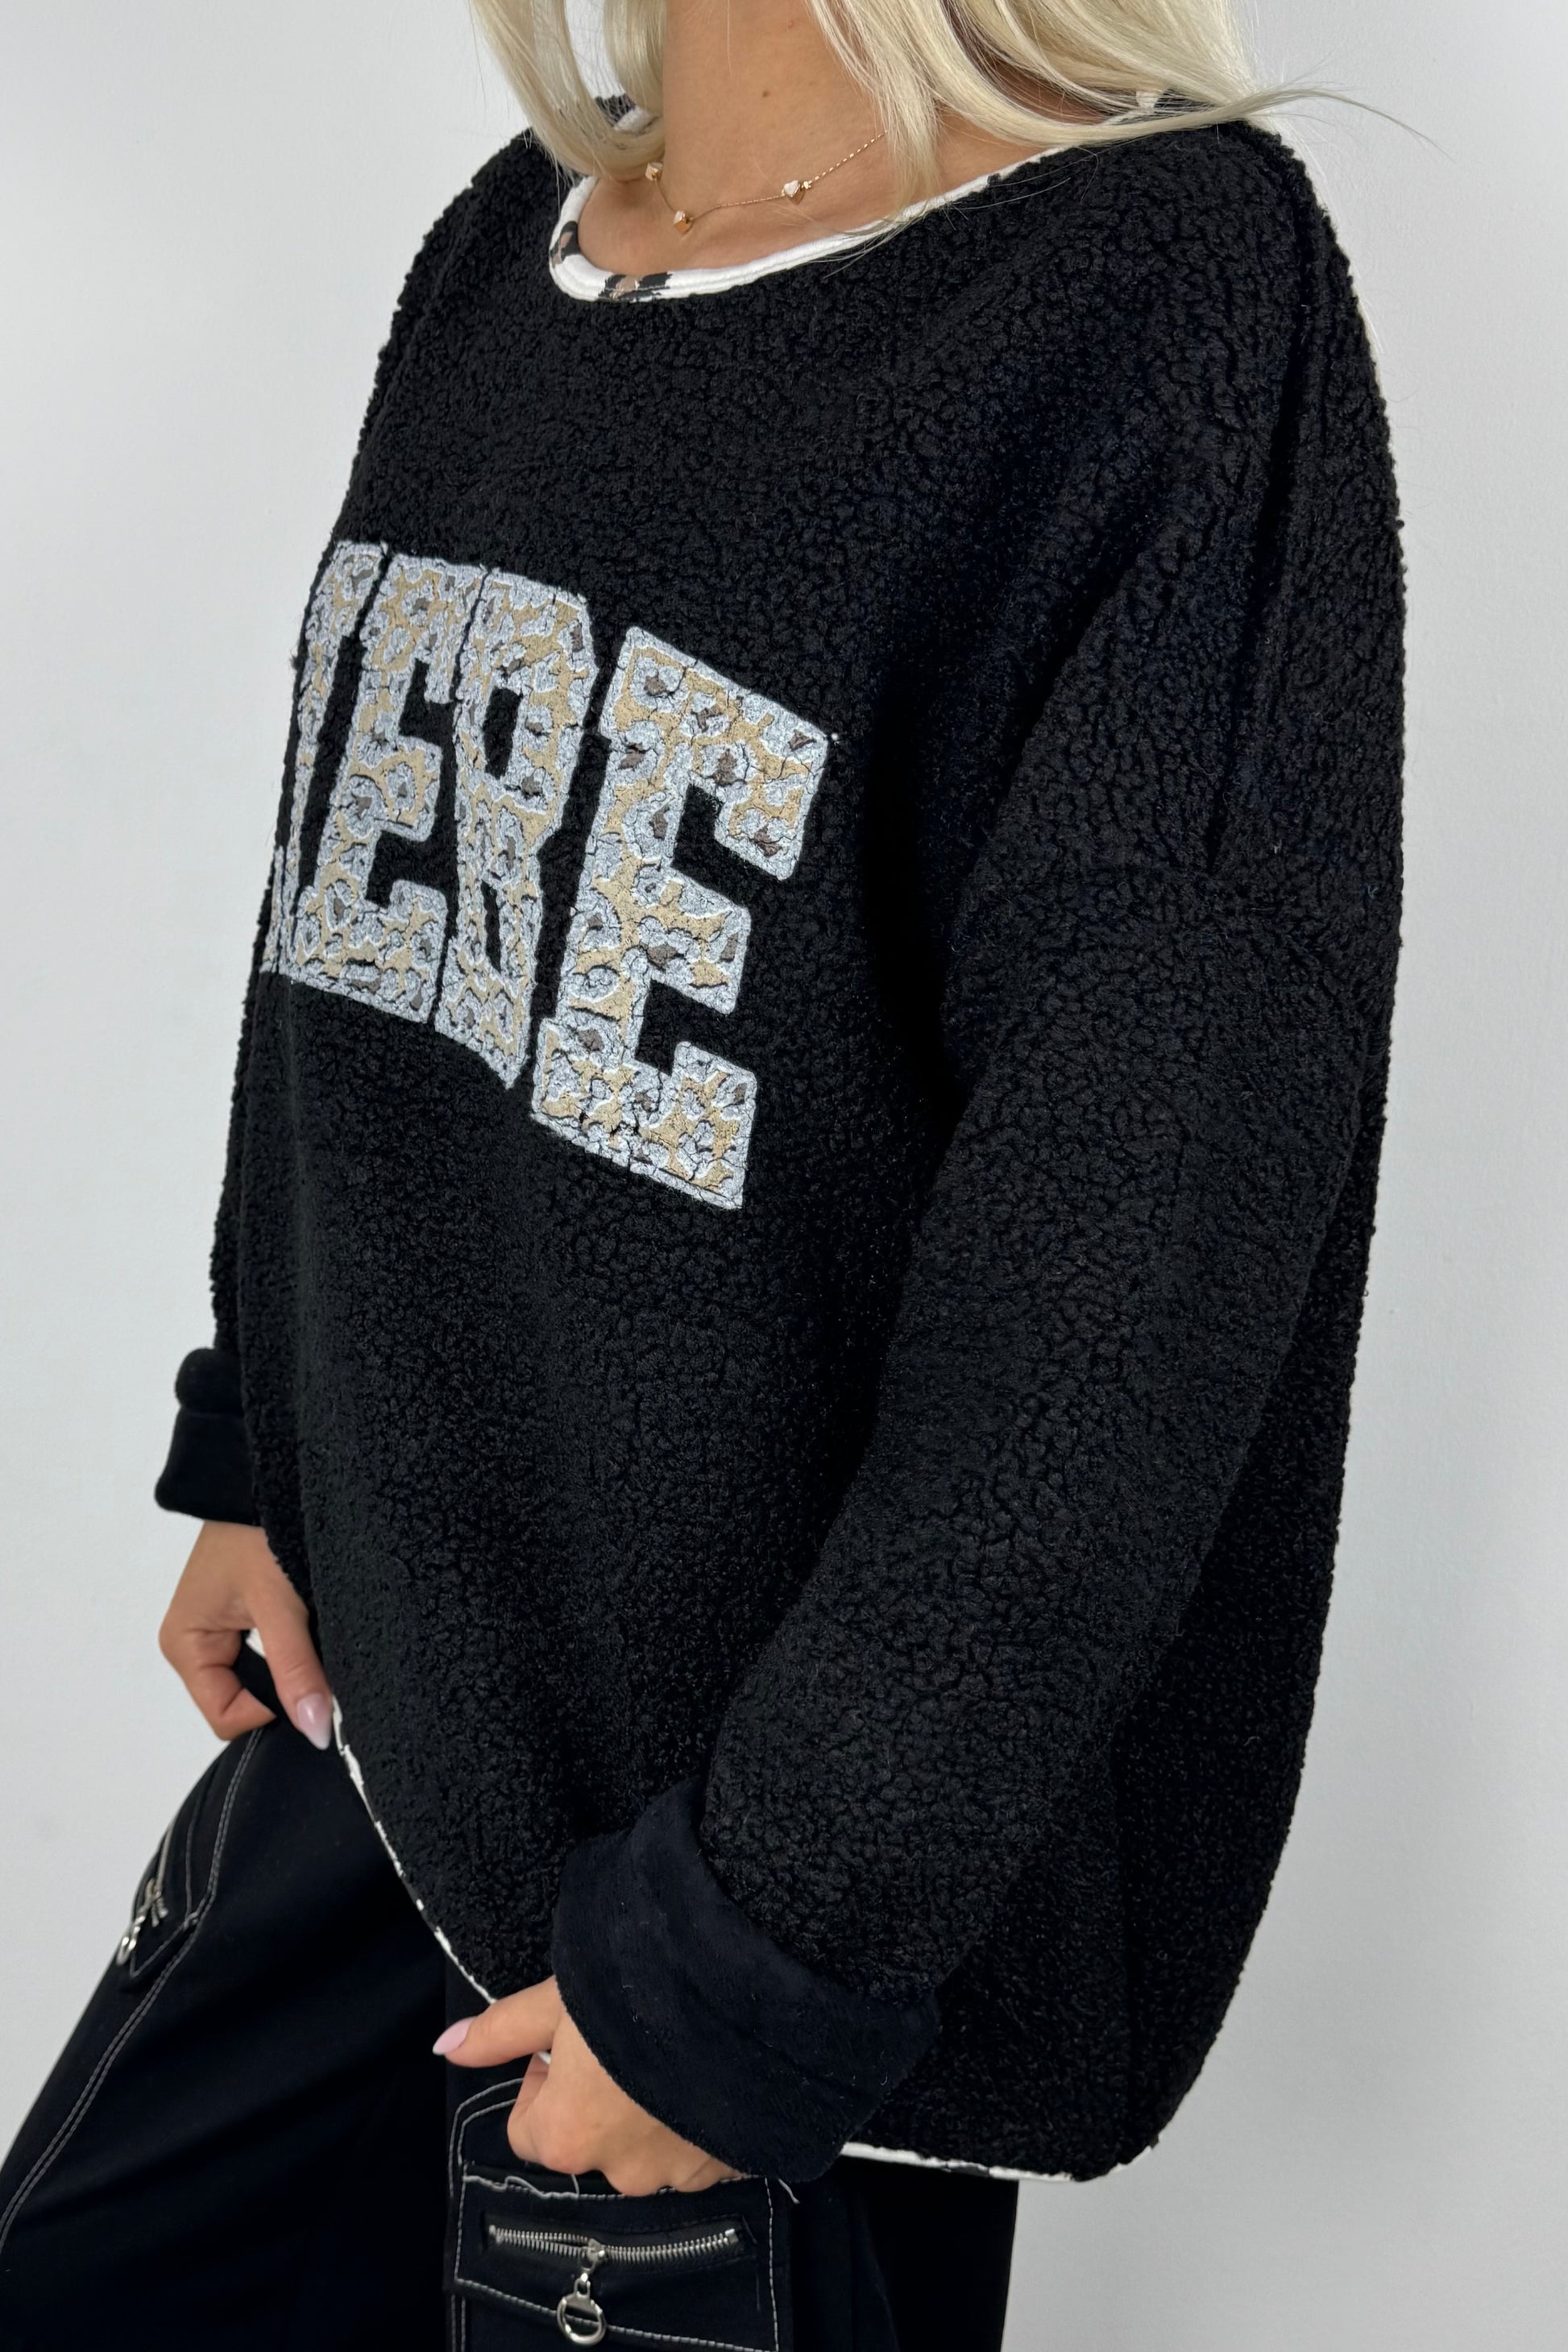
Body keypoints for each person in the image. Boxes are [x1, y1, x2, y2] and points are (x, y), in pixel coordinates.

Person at [0, 0, 1404, 2337]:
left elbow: (1136, 1246)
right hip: (386, 1737)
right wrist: (261, 1428)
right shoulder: (514, 248)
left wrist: (762, 1948)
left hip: (728, 1911)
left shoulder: (1152, 284)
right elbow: (367, 908)